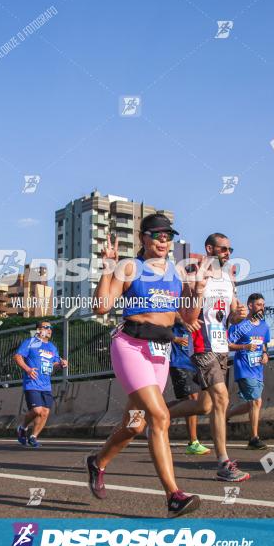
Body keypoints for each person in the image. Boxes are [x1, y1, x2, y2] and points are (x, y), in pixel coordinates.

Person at [86, 213, 201, 518]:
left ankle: (98, 462)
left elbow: (189, 320)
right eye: (158, 235)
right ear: (144, 238)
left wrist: (198, 290)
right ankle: (174, 496)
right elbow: (101, 307)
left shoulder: (176, 274)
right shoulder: (130, 266)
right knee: (159, 416)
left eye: (168, 236)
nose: (164, 241)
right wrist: (107, 269)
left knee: (135, 423)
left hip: (160, 352)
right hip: (131, 347)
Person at [169, 232, 251, 482]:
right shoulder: (193, 272)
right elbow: (179, 309)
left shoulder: (229, 278)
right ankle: (224, 463)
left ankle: (158, 414)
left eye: (230, 249)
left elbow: (232, 315)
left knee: (205, 405)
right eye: (223, 249)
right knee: (221, 398)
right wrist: (191, 306)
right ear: (210, 249)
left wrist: (240, 313)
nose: (228, 253)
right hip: (201, 344)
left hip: (221, 345)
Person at [13, 320, 68, 448]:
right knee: (37, 410)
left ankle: (33, 437)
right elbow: (18, 357)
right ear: (38, 330)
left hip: (46, 384)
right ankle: (22, 427)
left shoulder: (52, 347)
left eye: (50, 328)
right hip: (32, 382)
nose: (49, 330)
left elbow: (54, 363)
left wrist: (61, 364)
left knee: (45, 412)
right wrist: (28, 369)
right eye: (46, 327)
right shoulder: (30, 342)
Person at [226, 293, 270, 450]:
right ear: (250, 306)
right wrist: (244, 347)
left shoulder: (264, 326)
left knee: (255, 403)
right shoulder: (240, 325)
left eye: (263, 305)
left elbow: (264, 345)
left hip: (258, 369)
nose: (262, 308)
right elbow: (227, 344)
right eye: (259, 305)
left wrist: (265, 354)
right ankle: (254, 439)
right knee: (255, 401)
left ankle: (227, 415)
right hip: (243, 368)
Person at [168, 321, 211, 455]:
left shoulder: (200, 310)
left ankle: (154, 413)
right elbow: (163, 325)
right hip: (180, 362)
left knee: (187, 402)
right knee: (193, 398)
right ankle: (193, 442)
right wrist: (175, 338)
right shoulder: (178, 307)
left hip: (197, 362)